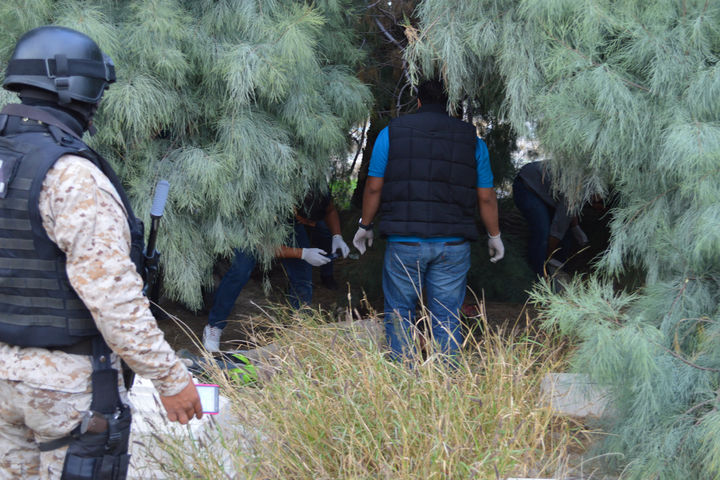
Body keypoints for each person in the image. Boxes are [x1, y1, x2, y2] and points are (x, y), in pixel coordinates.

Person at [0, 26, 201, 480]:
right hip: (63, 385)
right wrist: (170, 379)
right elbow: (112, 297)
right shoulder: (70, 174)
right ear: (78, 87)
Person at [352, 78, 505, 362]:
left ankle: (405, 382)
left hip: (404, 242)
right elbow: (486, 197)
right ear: (451, 106)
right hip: (453, 243)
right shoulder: (472, 140)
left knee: (400, 313)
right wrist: (494, 235)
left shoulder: (391, 133)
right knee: (446, 316)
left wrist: (365, 225)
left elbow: (374, 186)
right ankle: (447, 386)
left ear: (418, 101)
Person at [202, 191, 349, 352]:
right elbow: (262, 248)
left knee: (302, 273)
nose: (312, 226)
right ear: (294, 207)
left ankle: (300, 327)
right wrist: (303, 253)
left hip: (292, 223)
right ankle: (214, 326)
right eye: (308, 221)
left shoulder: (317, 189)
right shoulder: (266, 201)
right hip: (254, 228)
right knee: (241, 270)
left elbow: (330, 210)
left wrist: (337, 236)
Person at [512, 160, 589, 277]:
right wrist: (548, 257)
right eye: (599, 204)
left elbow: (570, 210)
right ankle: (539, 277)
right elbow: (558, 228)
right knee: (542, 233)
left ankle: (558, 270)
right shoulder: (577, 190)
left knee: (566, 234)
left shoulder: (592, 187)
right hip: (527, 185)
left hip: (548, 190)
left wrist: (575, 226)